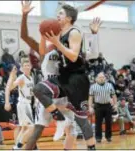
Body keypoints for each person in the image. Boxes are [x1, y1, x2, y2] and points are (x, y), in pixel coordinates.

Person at [20, 1, 101, 150]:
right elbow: (33, 43)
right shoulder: (55, 37)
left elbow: (83, 55)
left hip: (75, 81)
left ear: (69, 18)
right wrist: (29, 19)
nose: (57, 16)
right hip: (57, 82)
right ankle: (58, 118)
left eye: (60, 13)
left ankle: (89, 147)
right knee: (38, 97)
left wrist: (94, 35)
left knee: (79, 124)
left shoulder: (71, 34)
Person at [5, 58, 36, 149]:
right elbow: (10, 87)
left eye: (28, 65)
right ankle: (19, 146)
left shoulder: (31, 77)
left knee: (24, 128)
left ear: (30, 67)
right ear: (22, 68)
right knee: (31, 127)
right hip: (23, 104)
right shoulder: (21, 78)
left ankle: (15, 147)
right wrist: (11, 76)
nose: (27, 67)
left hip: (28, 103)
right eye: (25, 66)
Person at [89, 72, 117, 143]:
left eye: (103, 77)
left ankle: (108, 137)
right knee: (98, 123)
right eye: (100, 77)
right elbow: (90, 98)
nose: (101, 78)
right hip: (98, 106)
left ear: (105, 78)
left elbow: (114, 96)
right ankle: (98, 137)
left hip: (107, 105)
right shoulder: (93, 87)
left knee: (108, 122)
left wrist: (115, 104)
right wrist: (90, 107)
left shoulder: (110, 85)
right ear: (97, 78)